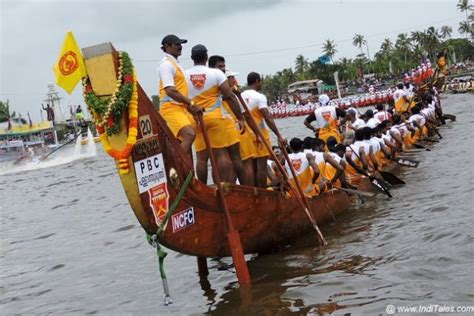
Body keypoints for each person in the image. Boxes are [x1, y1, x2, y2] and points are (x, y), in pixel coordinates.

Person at [185, 44, 246, 185]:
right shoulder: (215, 73)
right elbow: (230, 97)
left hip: (195, 119)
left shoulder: (184, 75)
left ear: (192, 58)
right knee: (220, 154)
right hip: (214, 118)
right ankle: (222, 186)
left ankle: (203, 188)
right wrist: (240, 118)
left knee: (201, 158)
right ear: (206, 57)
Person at [158, 34, 202, 153]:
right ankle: (180, 165)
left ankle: (187, 167)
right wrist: (192, 103)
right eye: (177, 44)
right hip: (170, 108)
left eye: (181, 44)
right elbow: (170, 91)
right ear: (167, 46)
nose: (181, 47)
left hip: (181, 108)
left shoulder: (176, 65)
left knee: (192, 134)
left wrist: (189, 107)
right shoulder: (166, 64)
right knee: (189, 134)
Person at [241, 72, 286, 188]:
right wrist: (278, 135)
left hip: (245, 135)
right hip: (259, 135)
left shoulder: (239, 96)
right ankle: (262, 192)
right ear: (257, 81)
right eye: (260, 81)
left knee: (251, 166)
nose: (261, 84)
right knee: (261, 165)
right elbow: (267, 117)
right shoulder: (259, 97)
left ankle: (253, 191)